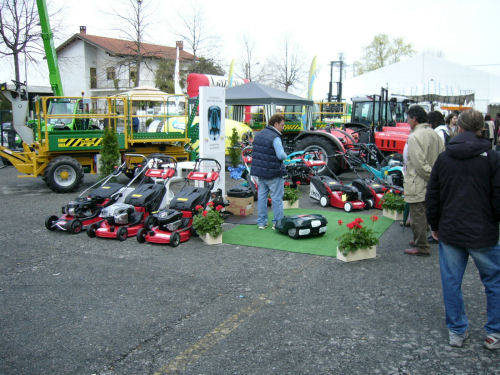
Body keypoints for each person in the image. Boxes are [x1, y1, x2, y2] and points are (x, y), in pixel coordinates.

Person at [426, 109, 500, 349]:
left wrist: (434, 225)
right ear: (482, 128)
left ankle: (457, 331)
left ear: (458, 127)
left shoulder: (445, 157)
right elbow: (498, 197)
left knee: (451, 281)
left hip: (451, 230)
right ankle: (494, 333)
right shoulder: (492, 157)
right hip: (483, 231)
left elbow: (433, 195)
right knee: (494, 281)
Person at [403, 105, 444, 256]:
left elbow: (419, 164)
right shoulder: (434, 134)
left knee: (417, 215)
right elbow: (442, 157)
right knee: (425, 212)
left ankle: (421, 246)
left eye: (408, 118)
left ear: (414, 119)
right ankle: (420, 239)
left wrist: (431, 176)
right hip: (431, 181)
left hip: (418, 181)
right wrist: (436, 177)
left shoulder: (414, 137)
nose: (407, 121)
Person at [250, 114, 288, 230]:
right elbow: (281, 155)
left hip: (260, 172)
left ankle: (261, 222)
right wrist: (286, 156)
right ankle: (278, 223)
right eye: (282, 125)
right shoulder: (275, 137)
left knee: (262, 197)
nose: (283, 128)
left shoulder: (259, 134)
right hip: (274, 172)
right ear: (275, 124)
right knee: (276, 198)